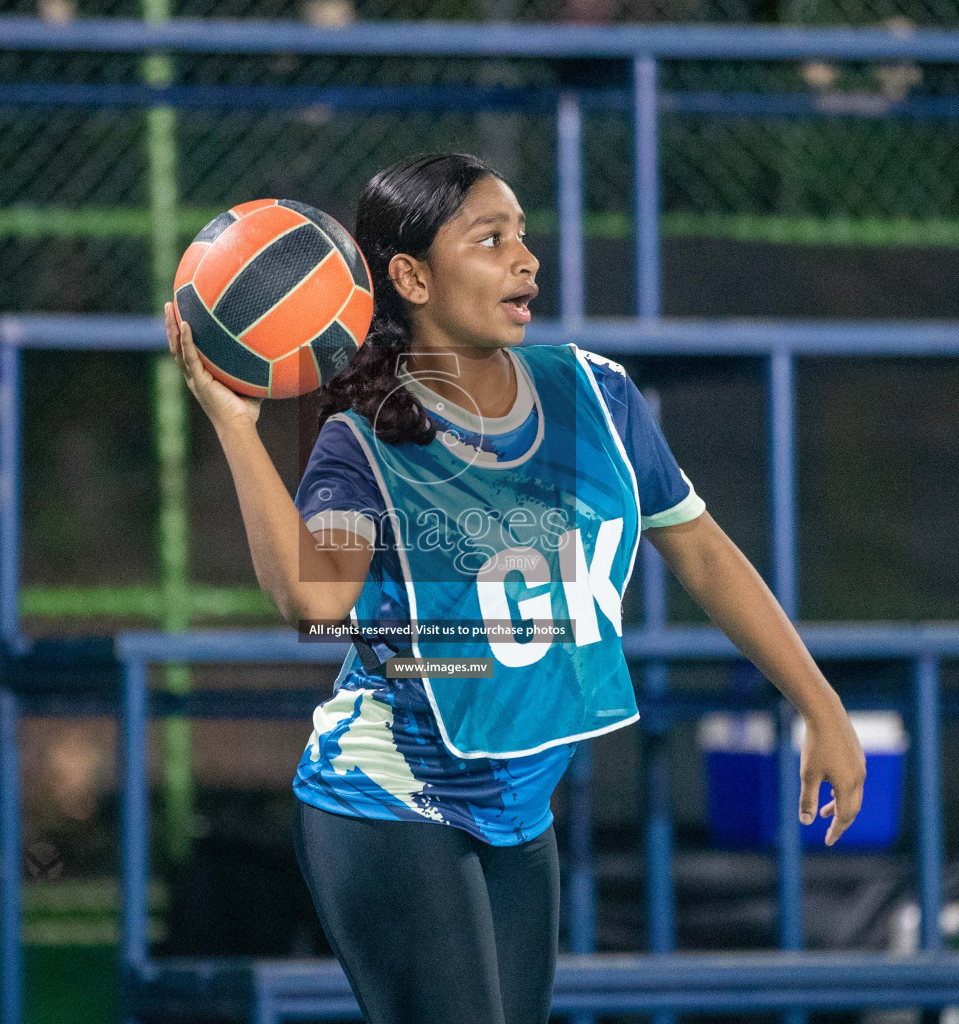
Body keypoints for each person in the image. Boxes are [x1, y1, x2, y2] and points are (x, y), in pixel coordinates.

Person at [164, 152, 866, 1024]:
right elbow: (315, 605)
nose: (525, 259)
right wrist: (238, 427)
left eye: (523, 235)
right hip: (389, 798)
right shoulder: (363, 440)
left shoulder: (597, 396)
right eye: (490, 239)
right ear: (411, 276)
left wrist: (820, 704)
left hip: (520, 814)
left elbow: (704, 553)